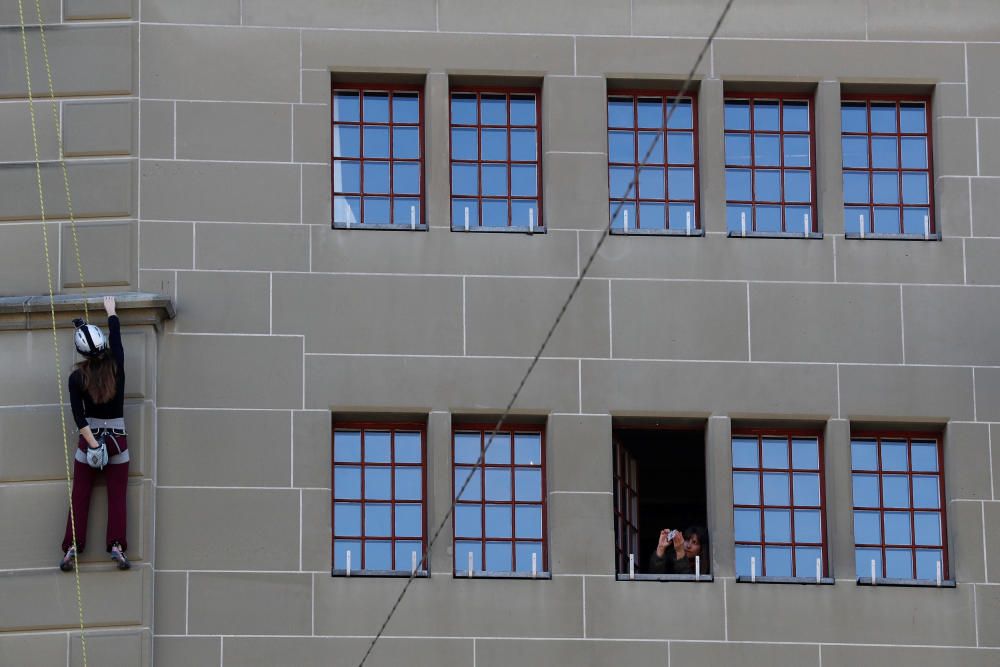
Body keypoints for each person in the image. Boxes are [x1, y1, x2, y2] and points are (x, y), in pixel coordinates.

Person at [59, 296, 130, 572]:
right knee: (117, 495)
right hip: (117, 440)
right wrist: (111, 313)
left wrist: (92, 446)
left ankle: (72, 546)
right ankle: (116, 545)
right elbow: (117, 340)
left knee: (80, 494)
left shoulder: (77, 378)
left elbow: (79, 416)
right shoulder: (117, 367)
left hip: (91, 440)